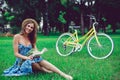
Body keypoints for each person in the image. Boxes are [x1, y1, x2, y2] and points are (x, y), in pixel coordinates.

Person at [3, 18, 73, 80]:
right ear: (24, 26)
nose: (29, 28)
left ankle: (63, 74)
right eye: (28, 26)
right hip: (22, 60)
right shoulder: (17, 37)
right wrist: (26, 58)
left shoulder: (31, 37)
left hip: (31, 57)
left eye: (32, 27)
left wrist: (40, 52)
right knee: (33, 64)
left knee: (40, 60)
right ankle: (46, 71)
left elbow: (35, 50)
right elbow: (16, 54)